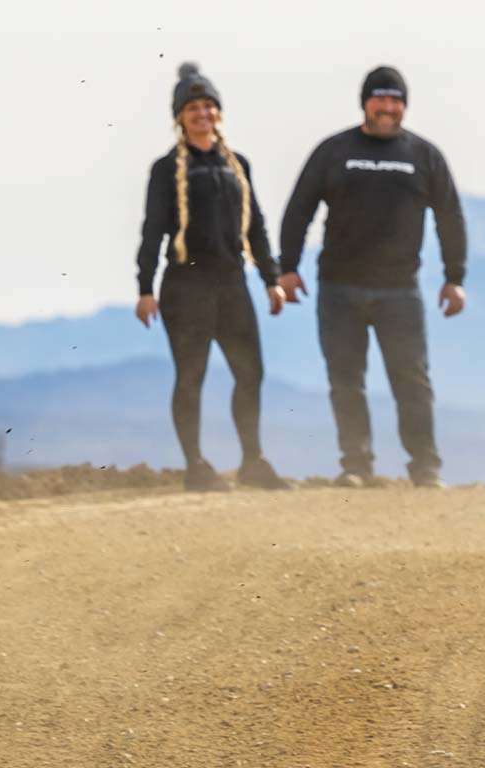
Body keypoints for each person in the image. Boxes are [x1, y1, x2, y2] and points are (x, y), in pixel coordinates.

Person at [277, 66, 468, 489]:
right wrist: (287, 268)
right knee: (345, 381)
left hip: (400, 290)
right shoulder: (334, 150)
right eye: (379, 98)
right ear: (365, 103)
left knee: (412, 380)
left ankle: (425, 468)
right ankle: (356, 466)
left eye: (395, 100)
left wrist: (454, 277)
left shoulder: (424, 155)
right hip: (338, 287)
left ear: (404, 105)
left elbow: (450, 217)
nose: (387, 107)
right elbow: (299, 208)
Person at [135, 62, 291, 492]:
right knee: (191, 376)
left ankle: (252, 461)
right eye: (193, 108)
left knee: (250, 372)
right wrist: (144, 288)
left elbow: (256, 225)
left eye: (208, 106)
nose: (202, 114)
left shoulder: (237, 165)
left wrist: (271, 279)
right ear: (180, 117)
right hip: (185, 287)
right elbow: (152, 229)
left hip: (232, 284)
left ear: (218, 112)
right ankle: (195, 466)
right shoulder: (166, 169)